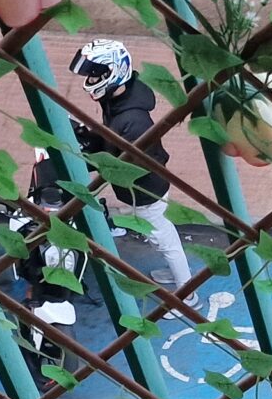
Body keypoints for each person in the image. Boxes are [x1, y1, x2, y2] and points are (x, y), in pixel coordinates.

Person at [67, 38, 192, 290]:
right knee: (162, 237)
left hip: (145, 191)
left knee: (163, 240)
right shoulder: (119, 100)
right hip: (144, 188)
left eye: (95, 75)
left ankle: (187, 293)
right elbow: (112, 138)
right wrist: (89, 137)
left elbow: (125, 165)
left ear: (112, 73)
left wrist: (92, 158)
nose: (91, 80)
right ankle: (180, 277)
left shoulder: (132, 121)